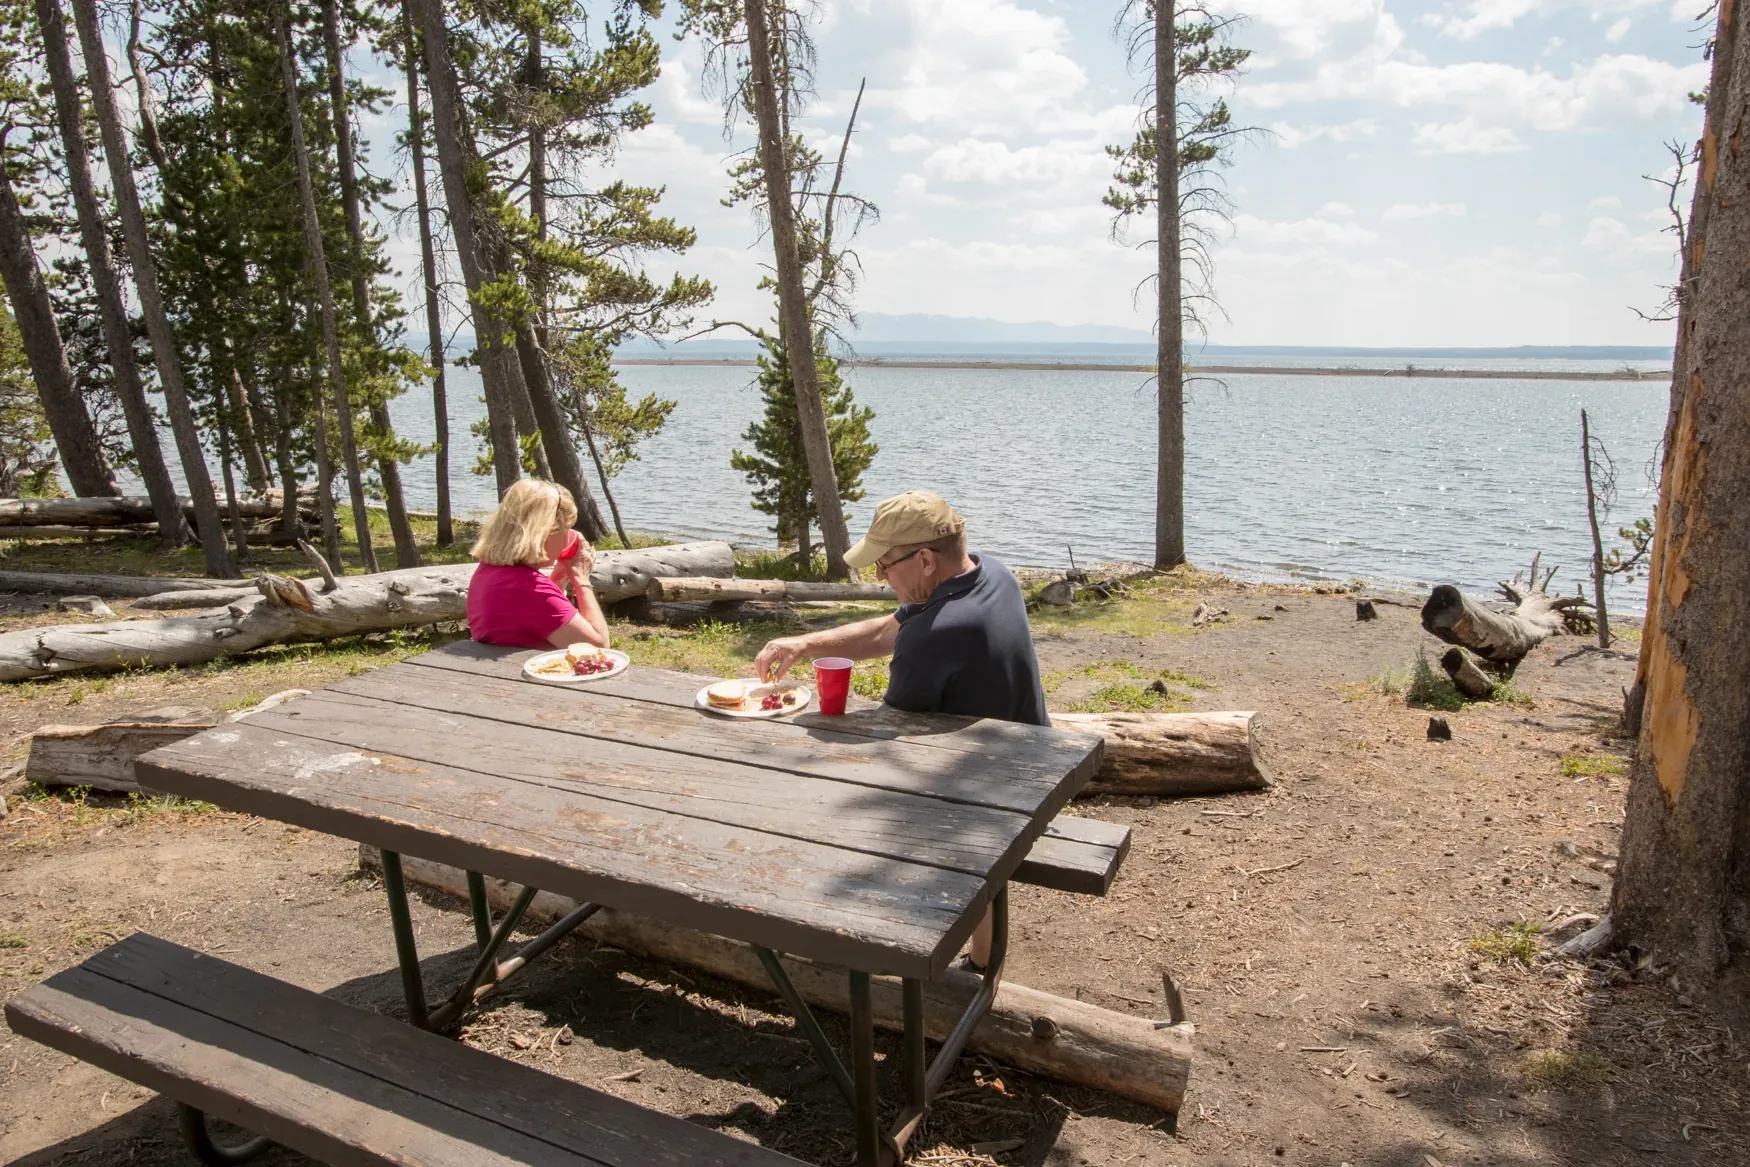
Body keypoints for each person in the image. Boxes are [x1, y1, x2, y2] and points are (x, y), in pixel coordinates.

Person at [753, 490, 1046, 969]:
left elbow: (887, 730)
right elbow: (892, 629)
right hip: (1026, 766)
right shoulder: (991, 574)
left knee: (822, 796)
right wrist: (805, 643)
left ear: (926, 559)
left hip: (990, 801)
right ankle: (981, 958)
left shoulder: (939, 634)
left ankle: (850, 943)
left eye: (884, 565)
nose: (880, 577)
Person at [466, 479, 609, 650]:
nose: (567, 539)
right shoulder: (527, 587)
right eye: (567, 530)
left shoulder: (490, 571)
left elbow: (540, 617)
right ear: (546, 534)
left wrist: (559, 579)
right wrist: (581, 578)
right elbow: (598, 647)